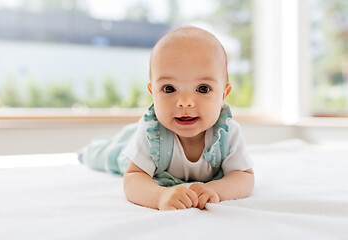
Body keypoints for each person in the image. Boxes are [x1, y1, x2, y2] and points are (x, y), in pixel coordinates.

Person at [79, 26, 254, 211]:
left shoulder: (227, 133)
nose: (185, 102)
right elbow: (133, 178)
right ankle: (87, 151)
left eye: (203, 89)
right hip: (131, 148)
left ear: (224, 95)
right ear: (152, 93)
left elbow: (243, 176)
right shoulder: (150, 133)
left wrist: (216, 190)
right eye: (169, 89)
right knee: (106, 154)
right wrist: (160, 196)